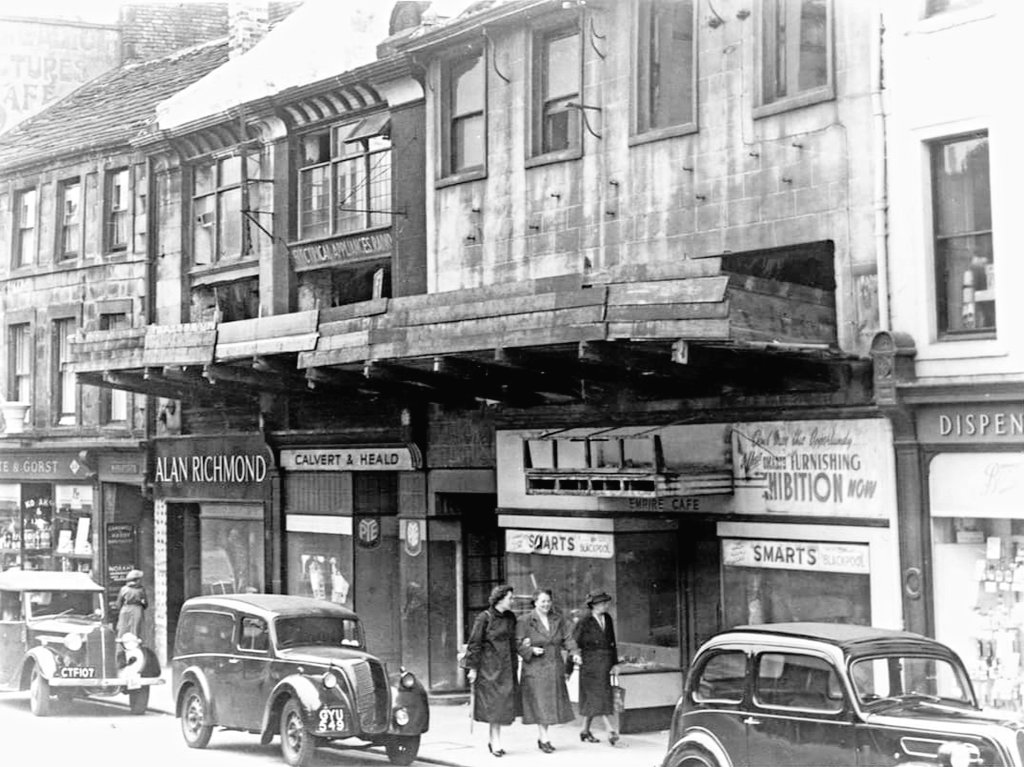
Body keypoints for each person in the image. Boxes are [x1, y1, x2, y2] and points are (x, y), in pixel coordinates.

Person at [516, 588, 578, 753]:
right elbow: (516, 643)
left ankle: (543, 736)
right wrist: (530, 651)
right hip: (536, 668)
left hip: (555, 666)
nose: (546, 604)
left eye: (548, 601)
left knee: (550, 704)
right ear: (535, 602)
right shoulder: (525, 620)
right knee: (542, 704)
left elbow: (568, 639)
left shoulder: (557, 619)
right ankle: (544, 738)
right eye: (543, 601)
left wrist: (575, 653)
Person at [465, 584, 520, 757]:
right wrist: (472, 668)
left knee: (503, 706)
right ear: (500, 598)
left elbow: (513, 642)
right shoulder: (484, 617)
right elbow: (475, 644)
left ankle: (495, 740)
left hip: (507, 668)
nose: (512, 601)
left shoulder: (511, 617)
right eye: (510, 598)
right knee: (494, 706)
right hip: (490, 669)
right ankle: (494, 741)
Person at [573, 590, 619, 746]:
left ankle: (585, 731)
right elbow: (574, 644)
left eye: (606, 602)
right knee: (598, 696)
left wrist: (615, 663)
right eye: (602, 603)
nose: (606, 605)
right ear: (593, 605)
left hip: (605, 664)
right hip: (590, 664)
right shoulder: (584, 621)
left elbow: (612, 643)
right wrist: (568, 668)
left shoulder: (608, 619)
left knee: (597, 697)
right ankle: (610, 730)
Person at [114, 569, 147, 639]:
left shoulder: (123, 589)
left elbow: (118, 604)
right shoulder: (141, 590)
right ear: (137, 580)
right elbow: (146, 604)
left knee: (123, 630)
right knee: (137, 631)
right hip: (137, 610)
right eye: (139, 579)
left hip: (125, 610)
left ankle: (121, 647)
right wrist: (142, 604)